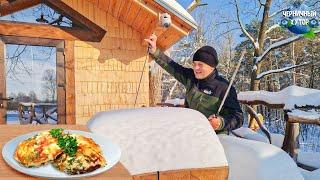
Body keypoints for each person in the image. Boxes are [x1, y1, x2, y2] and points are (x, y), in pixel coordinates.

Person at [145, 34, 243, 133]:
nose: (196, 68)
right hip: (192, 132)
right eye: (194, 64)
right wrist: (154, 51)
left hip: (214, 137)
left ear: (212, 67)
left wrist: (220, 123)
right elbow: (172, 67)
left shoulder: (224, 88)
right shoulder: (191, 77)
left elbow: (238, 117)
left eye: (200, 65)